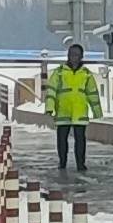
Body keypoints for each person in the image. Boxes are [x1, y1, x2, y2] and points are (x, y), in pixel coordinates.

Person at [44, 43, 97, 179]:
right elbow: (51, 91)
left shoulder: (86, 74)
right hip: (63, 111)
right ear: (68, 56)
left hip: (79, 112)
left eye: (77, 55)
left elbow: (92, 93)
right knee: (62, 139)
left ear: (81, 57)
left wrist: (97, 111)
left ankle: (81, 163)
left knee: (80, 140)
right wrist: (49, 108)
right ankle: (62, 162)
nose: (74, 58)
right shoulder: (59, 72)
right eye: (72, 55)